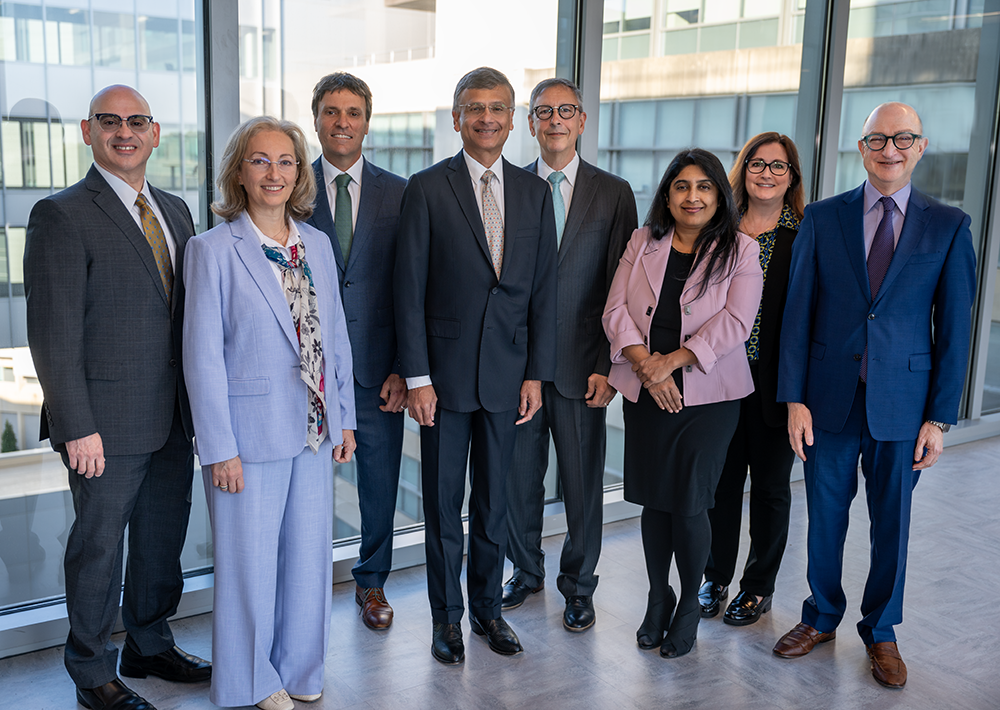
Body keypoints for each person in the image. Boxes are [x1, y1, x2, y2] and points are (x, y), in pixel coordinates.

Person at [774, 102, 976, 689]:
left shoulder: (948, 225)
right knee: (825, 520)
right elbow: (797, 314)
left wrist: (939, 417)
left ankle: (882, 630)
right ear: (861, 148)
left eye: (903, 138)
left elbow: (954, 329)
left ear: (921, 145)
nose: (890, 149)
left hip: (904, 406)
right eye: (878, 139)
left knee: (892, 523)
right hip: (827, 400)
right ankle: (820, 616)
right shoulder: (822, 216)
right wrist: (794, 399)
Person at [24, 85, 210, 710]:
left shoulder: (178, 211)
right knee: (100, 547)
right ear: (88, 131)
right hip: (102, 424)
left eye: (137, 121)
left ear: (155, 133)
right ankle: (92, 672)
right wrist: (76, 425)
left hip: (172, 416)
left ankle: (149, 643)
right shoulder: (62, 213)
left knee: (162, 540)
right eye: (111, 121)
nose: (124, 132)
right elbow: (52, 334)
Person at [183, 116, 356, 710]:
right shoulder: (211, 250)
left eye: (286, 161)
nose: (274, 173)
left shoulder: (318, 246)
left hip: (313, 431)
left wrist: (345, 418)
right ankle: (249, 683)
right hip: (248, 439)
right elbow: (201, 359)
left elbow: (335, 337)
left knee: (309, 564)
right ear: (239, 170)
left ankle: (302, 671)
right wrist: (219, 448)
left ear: (300, 172)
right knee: (248, 571)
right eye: (260, 160)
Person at [394, 66, 557, 665]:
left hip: (508, 378)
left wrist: (536, 373)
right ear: (457, 116)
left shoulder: (535, 192)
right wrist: (417, 378)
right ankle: (447, 620)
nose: (487, 117)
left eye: (498, 108)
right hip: (443, 378)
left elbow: (543, 291)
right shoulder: (427, 188)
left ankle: (488, 610)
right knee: (443, 508)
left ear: (513, 119)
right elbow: (407, 290)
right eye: (474, 107)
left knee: (495, 505)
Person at [602, 148, 762, 658]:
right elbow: (614, 310)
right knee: (655, 498)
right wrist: (646, 366)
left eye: (704, 187)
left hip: (709, 398)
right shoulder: (641, 241)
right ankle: (658, 596)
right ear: (667, 194)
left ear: (719, 194)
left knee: (690, 502)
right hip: (649, 392)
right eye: (682, 186)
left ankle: (689, 604)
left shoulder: (741, 249)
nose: (692, 197)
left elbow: (735, 323)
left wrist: (667, 363)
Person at [503, 77, 637, 632]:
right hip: (517, 368)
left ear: (581, 120)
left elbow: (624, 288)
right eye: (543, 111)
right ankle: (526, 571)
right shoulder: (508, 188)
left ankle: (579, 587)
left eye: (566, 110)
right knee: (517, 480)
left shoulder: (613, 191)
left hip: (586, 368)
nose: (554, 120)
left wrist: (610, 366)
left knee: (582, 487)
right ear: (530, 123)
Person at [306, 72, 407, 631]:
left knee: (377, 485)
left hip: (376, 371)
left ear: (368, 121)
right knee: (308, 487)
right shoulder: (291, 189)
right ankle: (305, 584)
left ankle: (371, 584)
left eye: (353, 112)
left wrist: (402, 367)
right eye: (330, 111)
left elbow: (412, 286)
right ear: (316, 118)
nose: (342, 122)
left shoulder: (400, 191)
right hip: (308, 373)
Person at [699, 133, 805, 626]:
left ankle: (758, 588)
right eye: (757, 164)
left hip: (774, 385)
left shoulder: (806, 236)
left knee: (769, 488)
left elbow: (813, 317)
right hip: (718, 376)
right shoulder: (717, 231)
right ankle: (715, 575)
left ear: (792, 178)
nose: (767, 173)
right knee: (719, 486)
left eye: (778, 167)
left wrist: (800, 393)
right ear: (742, 171)